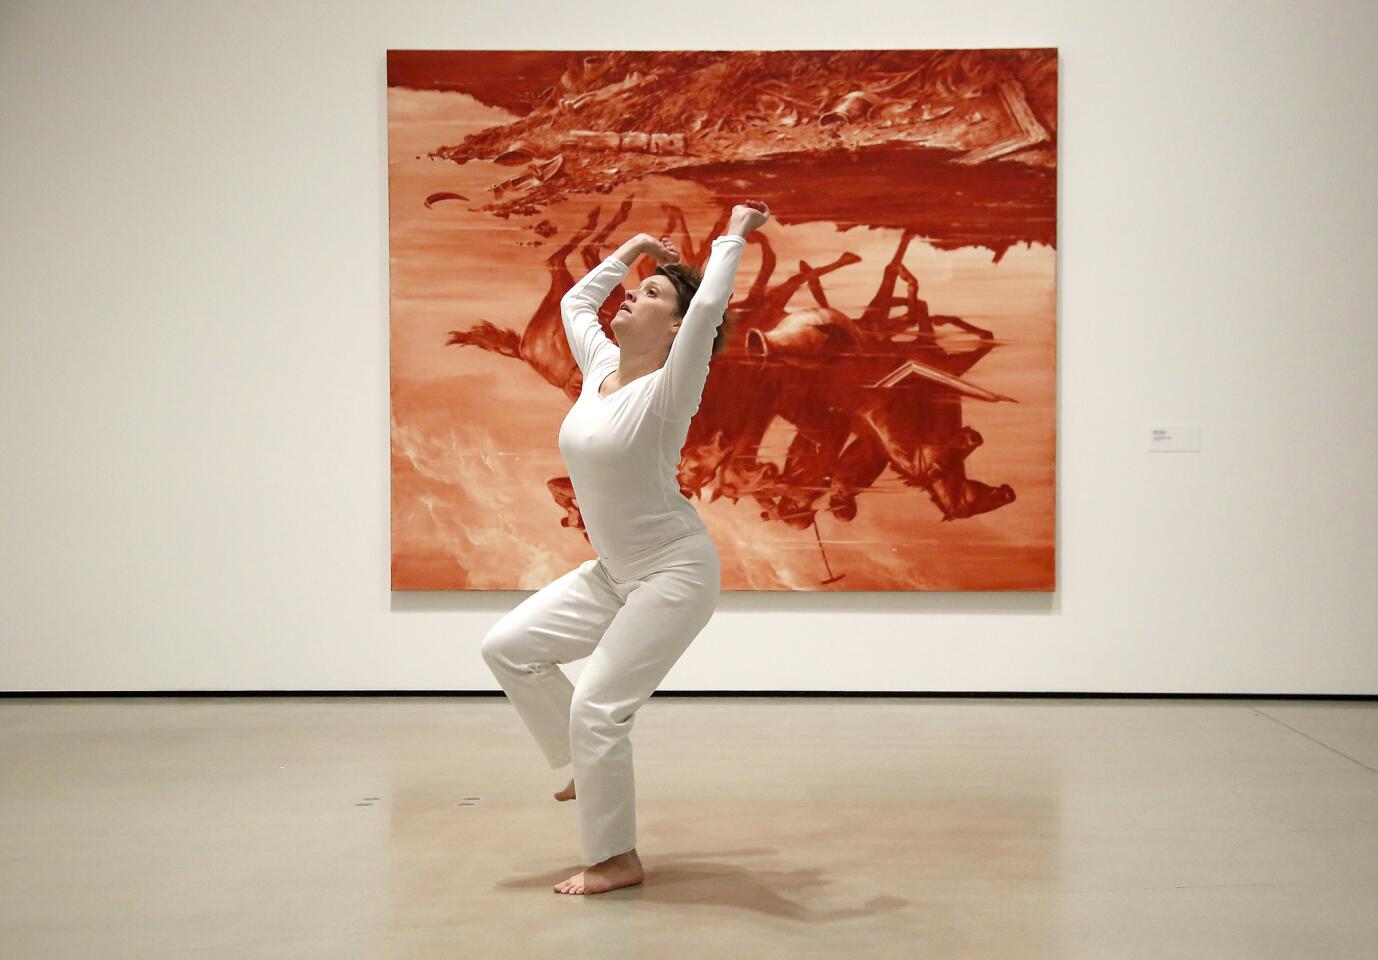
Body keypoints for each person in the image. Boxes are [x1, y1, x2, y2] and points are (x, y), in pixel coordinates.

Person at [481, 200, 772, 895]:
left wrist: (734, 235)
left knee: (600, 709)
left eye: (650, 293)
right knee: (509, 648)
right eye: (635, 287)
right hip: (615, 574)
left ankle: (615, 857)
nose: (629, 296)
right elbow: (578, 300)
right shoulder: (599, 366)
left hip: (673, 573)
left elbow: (706, 317)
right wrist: (632, 247)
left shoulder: (670, 390)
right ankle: (584, 765)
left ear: (673, 327)